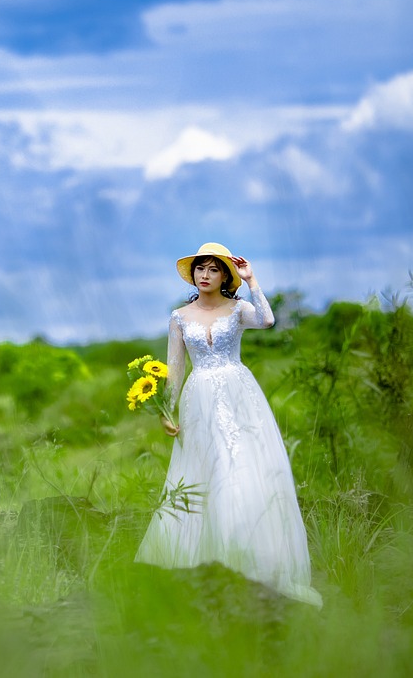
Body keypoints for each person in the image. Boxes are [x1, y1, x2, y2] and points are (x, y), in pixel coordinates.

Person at [135, 242, 322, 607]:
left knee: (241, 470)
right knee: (201, 474)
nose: (204, 276)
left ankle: (254, 566)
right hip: (197, 398)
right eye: (200, 269)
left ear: (225, 276)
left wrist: (253, 281)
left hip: (238, 394)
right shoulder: (179, 317)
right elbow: (175, 370)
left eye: (213, 270)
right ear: (194, 274)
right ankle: (201, 569)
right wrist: (167, 411)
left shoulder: (238, 309)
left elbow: (267, 321)